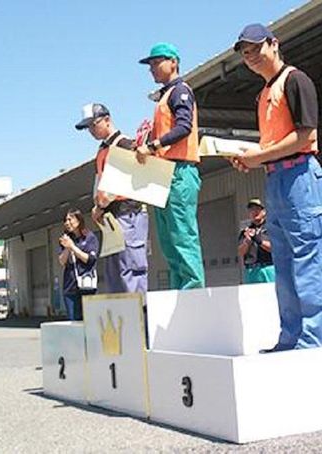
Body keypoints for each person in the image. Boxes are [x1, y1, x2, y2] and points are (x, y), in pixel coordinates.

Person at [230, 24, 322, 351]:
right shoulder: (263, 94)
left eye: (256, 48)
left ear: (274, 44)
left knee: (308, 261)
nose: (250, 56)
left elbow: (306, 135)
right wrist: (252, 158)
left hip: (301, 176)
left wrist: (259, 156)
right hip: (276, 178)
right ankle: (290, 338)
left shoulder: (295, 80)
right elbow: (273, 143)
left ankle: (311, 342)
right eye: (245, 53)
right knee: (284, 266)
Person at [136, 42, 205, 290]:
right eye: (150, 65)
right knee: (169, 242)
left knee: (182, 236)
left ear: (173, 62)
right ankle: (180, 294)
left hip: (179, 171)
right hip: (165, 173)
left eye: (157, 62)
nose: (152, 68)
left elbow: (184, 127)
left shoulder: (180, 91)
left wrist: (153, 145)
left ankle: (193, 293)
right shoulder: (165, 96)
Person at [75, 103, 149, 296]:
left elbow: (137, 179)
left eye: (94, 125)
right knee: (114, 272)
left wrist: (105, 200)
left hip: (128, 213)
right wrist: (97, 206)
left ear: (107, 120)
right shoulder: (102, 150)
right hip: (110, 219)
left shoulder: (125, 144)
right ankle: (121, 311)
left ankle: (140, 310)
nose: (91, 131)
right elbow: (99, 182)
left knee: (131, 267)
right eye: (88, 127)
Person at [57, 209, 99, 321]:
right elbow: (62, 261)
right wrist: (67, 247)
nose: (67, 223)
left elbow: (89, 259)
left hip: (87, 286)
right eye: (65, 220)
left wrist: (73, 247)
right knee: (73, 322)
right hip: (70, 287)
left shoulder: (89, 237)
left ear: (79, 220)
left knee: (89, 321)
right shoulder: (65, 239)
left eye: (70, 219)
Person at [238, 198, 275, 284]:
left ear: (264, 212)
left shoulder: (271, 228)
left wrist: (259, 241)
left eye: (257, 209)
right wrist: (247, 242)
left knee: (271, 292)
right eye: (251, 210)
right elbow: (240, 252)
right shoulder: (245, 231)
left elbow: (275, 248)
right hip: (251, 270)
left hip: (268, 268)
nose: (254, 212)